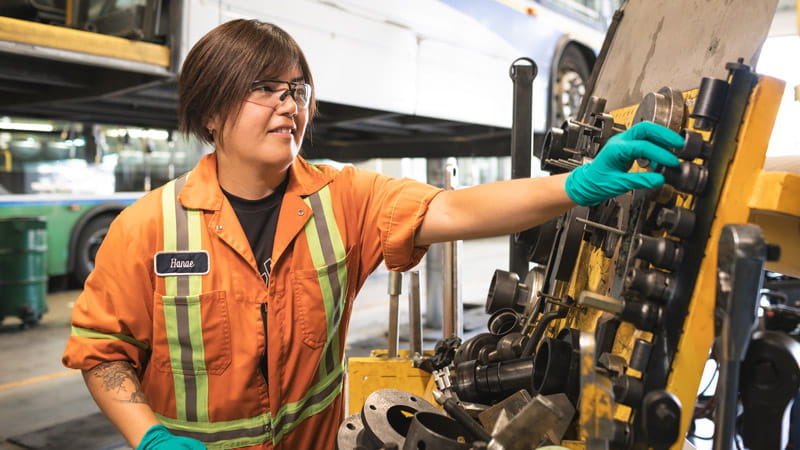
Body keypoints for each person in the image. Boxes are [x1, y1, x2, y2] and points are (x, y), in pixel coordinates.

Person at [62, 19, 683, 450]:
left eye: (296, 89)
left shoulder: (342, 198)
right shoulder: (147, 228)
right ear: (209, 110)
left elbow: (460, 209)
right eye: (265, 90)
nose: (290, 106)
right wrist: (149, 435)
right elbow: (101, 352)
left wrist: (572, 186)